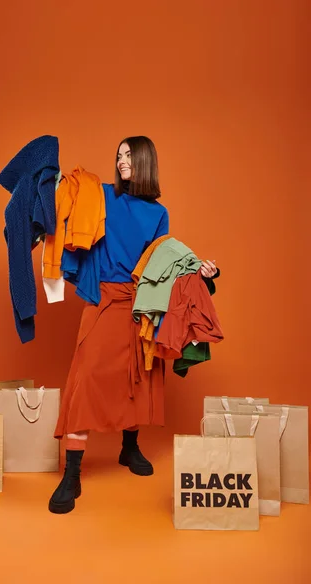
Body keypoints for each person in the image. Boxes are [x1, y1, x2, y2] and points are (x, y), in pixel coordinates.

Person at [48, 136, 218, 514]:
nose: (122, 161)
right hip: (105, 299)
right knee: (86, 376)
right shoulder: (104, 195)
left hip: (143, 303)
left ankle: (129, 447)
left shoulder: (159, 214)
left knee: (137, 376)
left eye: (129, 155)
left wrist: (205, 273)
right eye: (119, 155)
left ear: (145, 161)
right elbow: (70, 195)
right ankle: (71, 472)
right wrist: (54, 177)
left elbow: (166, 265)